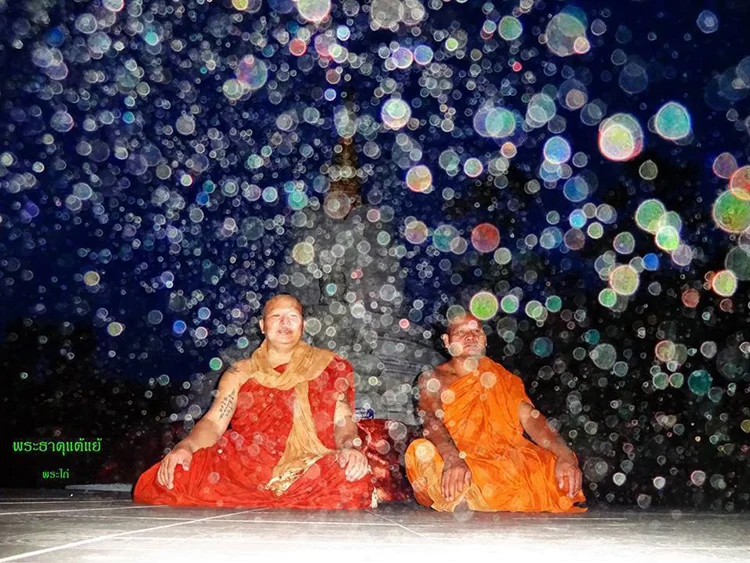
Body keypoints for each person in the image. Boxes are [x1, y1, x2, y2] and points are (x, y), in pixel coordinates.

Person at [133, 294, 379, 509]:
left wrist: (350, 447)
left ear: (303, 325)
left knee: (353, 479)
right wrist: (184, 448)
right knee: (168, 477)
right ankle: (278, 496)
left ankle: (277, 494)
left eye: (292, 316)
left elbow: (342, 420)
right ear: (262, 325)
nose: (284, 322)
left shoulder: (327, 367)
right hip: (245, 466)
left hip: (308, 464)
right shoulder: (238, 373)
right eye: (276, 316)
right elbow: (214, 423)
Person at [404, 311, 586, 513]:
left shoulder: (502, 378)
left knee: (554, 466)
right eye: (461, 332)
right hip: (458, 460)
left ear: (485, 339)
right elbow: (431, 420)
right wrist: (453, 460)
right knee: (421, 453)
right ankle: (468, 492)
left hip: (500, 463)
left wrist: (565, 456)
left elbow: (532, 419)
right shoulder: (432, 378)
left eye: (476, 331)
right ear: (447, 341)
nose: (470, 337)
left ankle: (473, 496)